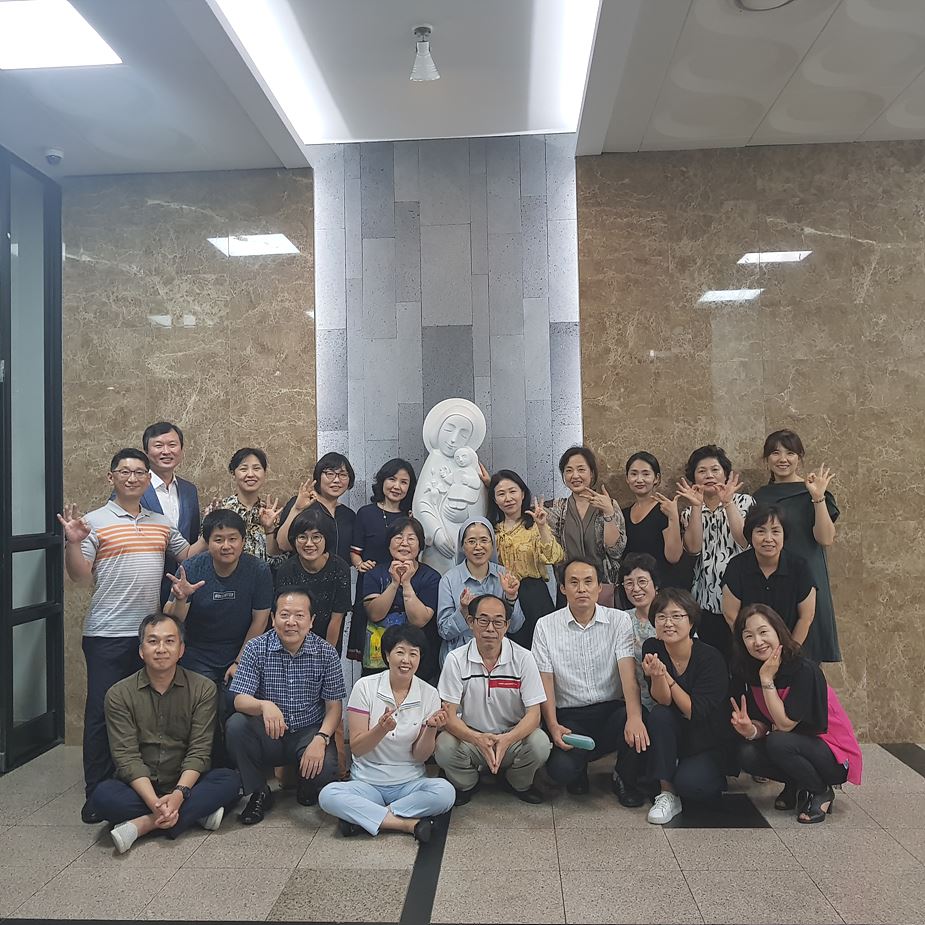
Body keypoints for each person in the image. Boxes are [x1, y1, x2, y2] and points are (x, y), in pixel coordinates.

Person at [58, 448, 192, 824]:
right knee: (102, 713)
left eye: (139, 472)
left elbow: (188, 554)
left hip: (151, 636)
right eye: (124, 471)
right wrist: (73, 542)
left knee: (144, 713)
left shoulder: (161, 523)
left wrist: (215, 526)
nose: (132, 478)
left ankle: (136, 785)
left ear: (148, 479)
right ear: (111, 477)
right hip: (106, 634)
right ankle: (96, 793)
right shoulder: (93, 521)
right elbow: (80, 575)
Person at [89, 613, 242, 853]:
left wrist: (178, 795)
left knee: (229, 780)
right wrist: (154, 802)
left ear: (181, 650)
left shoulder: (203, 688)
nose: (161, 649)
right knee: (102, 796)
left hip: (187, 784)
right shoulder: (119, 694)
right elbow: (126, 758)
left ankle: (143, 825)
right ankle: (194, 815)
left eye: (169, 641)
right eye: (153, 641)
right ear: (141, 651)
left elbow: (199, 752)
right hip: (140, 788)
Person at [318, 625, 454, 841]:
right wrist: (380, 729)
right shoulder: (365, 687)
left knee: (445, 792)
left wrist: (431, 728)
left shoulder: (429, 693)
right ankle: (407, 824)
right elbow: (358, 748)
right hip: (367, 783)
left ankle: (365, 818)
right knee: (328, 795)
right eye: (400, 652)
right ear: (387, 655)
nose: (406, 660)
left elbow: (420, 756)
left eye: (413, 654)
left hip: (410, 784)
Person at [532, 557, 650, 806]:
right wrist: (552, 725)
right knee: (561, 770)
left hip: (610, 710)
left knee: (641, 719)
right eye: (573, 582)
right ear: (563, 588)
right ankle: (579, 768)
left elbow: (628, 674)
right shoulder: (545, 626)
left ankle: (623, 777)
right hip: (570, 715)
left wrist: (634, 717)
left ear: (599, 587)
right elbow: (546, 680)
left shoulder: (618, 621)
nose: (581, 589)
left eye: (588, 582)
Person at [731, 604, 862, 823]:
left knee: (778, 741)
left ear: (778, 631)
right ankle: (797, 783)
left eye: (763, 632)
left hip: (833, 755)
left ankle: (820, 791)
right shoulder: (752, 670)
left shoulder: (803, 669)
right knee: (746, 752)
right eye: (748, 636)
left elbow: (784, 724)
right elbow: (764, 724)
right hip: (796, 745)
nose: (758, 641)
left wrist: (767, 680)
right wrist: (750, 729)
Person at [225, 588, 346, 824]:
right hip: (270, 734)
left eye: (299, 616)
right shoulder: (255, 648)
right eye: (284, 614)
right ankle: (259, 792)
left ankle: (306, 780)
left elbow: (334, 707)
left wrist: (321, 738)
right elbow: (239, 699)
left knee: (325, 774)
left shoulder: (326, 653)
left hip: (308, 732)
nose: (291, 622)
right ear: (273, 618)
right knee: (236, 726)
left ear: (311, 621)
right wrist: (263, 705)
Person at [436, 593, 551, 805]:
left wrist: (508, 739)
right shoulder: (455, 659)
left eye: (498, 622)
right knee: (443, 745)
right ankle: (467, 783)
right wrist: (476, 738)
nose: (490, 628)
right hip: (471, 737)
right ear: (470, 622)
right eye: (483, 620)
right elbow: (449, 716)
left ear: (507, 626)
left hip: (512, 736)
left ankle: (516, 782)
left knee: (540, 743)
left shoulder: (524, 658)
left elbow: (534, 715)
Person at [640, 589, 731, 825]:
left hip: (707, 736)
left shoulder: (710, 658)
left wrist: (668, 678)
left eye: (676, 616)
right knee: (659, 714)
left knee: (692, 786)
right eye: (661, 617)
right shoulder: (653, 646)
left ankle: (709, 775)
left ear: (691, 621)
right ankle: (667, 792)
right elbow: (663, 700)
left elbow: (694, 711)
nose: (668, 623)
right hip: (675, 732)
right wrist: (658, 676)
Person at [754, 429, 840, 663]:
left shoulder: (812, 491)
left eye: (790, 453)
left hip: (808, 577)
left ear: (799, 457)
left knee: (808, 658)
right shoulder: (759, 497)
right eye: (775, 453)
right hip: (772, 578)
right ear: (766, 459)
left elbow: (825, 538)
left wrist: (817, 497)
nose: (782, 459)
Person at [162, 509, 273, 684]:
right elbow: (172, 620)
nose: (226, 546)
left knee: (236, 697)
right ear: (207, 542)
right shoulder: (191, 568)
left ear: (243, 541)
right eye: (218, 540)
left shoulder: (258, 570)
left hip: (241, 650)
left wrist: (240, 662)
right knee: (203, 695)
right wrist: (181, 599)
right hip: (198, 653)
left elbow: (260, 620)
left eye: (233, 539)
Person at [676, 444, 754, 663]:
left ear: (726, 474)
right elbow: (693, 549)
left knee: (743, 662)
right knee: (713, 663)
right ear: (693, 477)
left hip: (741, 599)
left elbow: (745, 541)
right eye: (702, 471)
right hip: (705, 600)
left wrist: (727, 503)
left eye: (715, 470)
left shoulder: (745, 503)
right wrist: (696, 507)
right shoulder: (689, 511)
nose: (709, 475)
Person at [357, 517, 441, 684]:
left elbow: (419, 620)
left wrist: (407, 583)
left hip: (420, 660)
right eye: (398, 537)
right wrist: (395, 583)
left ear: (420, 545)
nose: (404, 543)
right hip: (379, 658)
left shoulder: (431, 577)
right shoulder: (374, 574)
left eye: (411, 538)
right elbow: (375, 614)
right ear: (389, 543)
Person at [487, 469, 564, 648]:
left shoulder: (535, 526)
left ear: (522, 494)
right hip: (503, 595)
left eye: (512, 491)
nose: (508, 498)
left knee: (542, 647)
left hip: (534, 593)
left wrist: (542, 526)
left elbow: (555, 556)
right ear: (494, 500)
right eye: (501, 494)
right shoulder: (491, 531)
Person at [349, 459, 417, 658]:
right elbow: (355, 552)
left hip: (405, 584)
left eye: (404, 482)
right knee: (371, 649)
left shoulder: (411, 516)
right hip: (372, 584)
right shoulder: (366, 513)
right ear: (382, 481)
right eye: (392, 479)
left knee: (403, 645)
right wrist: (360, 564)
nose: (397, 486)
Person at [721, 504, 817, 649]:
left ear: (784, 535)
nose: (768, 538)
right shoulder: (736, 566)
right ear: (750, 534)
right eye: (761, 531)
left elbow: (806, 617)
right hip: (749, 649)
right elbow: (731, 615)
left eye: (775, 531)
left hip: (792, 649)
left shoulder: (800, 567)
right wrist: (754, 646)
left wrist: (788, 653)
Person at [413, 398, 489, 574]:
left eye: (463, 434)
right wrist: (437, 533)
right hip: (438, 542)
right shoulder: (434, 460)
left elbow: (481, 505)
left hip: (466, 539)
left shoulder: (471, 465)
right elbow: (422, 503)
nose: (453, 439)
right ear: (438, 429)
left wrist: (467, 514)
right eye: (449, 429)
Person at [436, 517, 525, 664]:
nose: (478, 547)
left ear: (492, 544)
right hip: (459, 656)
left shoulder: (504, 575)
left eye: (484, 540)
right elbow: (444, 631)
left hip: (498, 654)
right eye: (471, 541)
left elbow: (515, 627)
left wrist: (511, 597)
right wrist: (463, 611)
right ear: (462, 546)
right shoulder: (449, 580)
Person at [546, 446, 625, 606]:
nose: (575, 475)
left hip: (603, 587)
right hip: (570, 588)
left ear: (592, 473)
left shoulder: (609, 504)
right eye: (569, 470)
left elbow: (616, 551)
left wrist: (608, 513)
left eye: (581, 469)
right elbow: (553, 555)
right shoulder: (556, 509)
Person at [140, 422, 201, 604]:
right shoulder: (134, 488)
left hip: (183, 584)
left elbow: (192, 536)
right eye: (158, 445)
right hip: (144, 585)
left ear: (181, 450)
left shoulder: (189, 490)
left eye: (172, 445)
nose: (166, 451)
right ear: (146, 451)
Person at [275, 507, 351, 651]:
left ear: (326, 539)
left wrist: (326, 655)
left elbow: (337, 618)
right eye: (302, 537)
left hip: (328, 641)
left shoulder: (340, 568)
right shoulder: (286, 569)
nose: (309, 544)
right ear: (294, 539)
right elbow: (285, 616)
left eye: (316, 537)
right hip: (292, 640)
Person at [620, 452, 683, 599]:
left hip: (661, 590)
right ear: (627, 478)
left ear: (657, 478)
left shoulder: (665, 510)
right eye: (633, 474)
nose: (639, 479)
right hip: (634, 591)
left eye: (646, 474)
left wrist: (673, 518)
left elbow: (673, 557)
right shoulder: (623, 514)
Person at [277, 453, 357, 563]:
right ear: (318, 476)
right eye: (330, 474)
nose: (337, 480)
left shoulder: (349, 515)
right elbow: (283, 545)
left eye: (343, 475)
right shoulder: (301, 503)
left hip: (339, 573)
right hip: (302, 572)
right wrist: (297, 509)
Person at [208, 448, 284, 565]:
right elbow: (206, 552)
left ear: (264, 473)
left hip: (263, 574)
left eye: (256, 469)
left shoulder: (271, 513)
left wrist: (269, 530)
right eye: (243, 469)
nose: (250, 474)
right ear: (233, 473)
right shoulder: (221, 509)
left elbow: (276, 561)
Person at [617, 553, 660, 711]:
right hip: (632, 703)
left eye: (642, 581)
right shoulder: (621, 620)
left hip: (668, 702)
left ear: (655, 584)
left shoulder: (672, 615)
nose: (635, 589)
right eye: (629, 583)